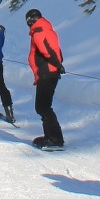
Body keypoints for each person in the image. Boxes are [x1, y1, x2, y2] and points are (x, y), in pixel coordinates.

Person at [24, 8, 65, 149]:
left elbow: (47, 51)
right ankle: (51, 136)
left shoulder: (39, 32)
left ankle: (55, 139)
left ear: (31, 20)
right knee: (43, 107)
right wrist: (58, 64)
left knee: (42, 107)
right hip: (48, 72)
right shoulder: (46, 29)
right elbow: (56, 50)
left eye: (28, 21)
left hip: (47, 73)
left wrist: (57, 65)